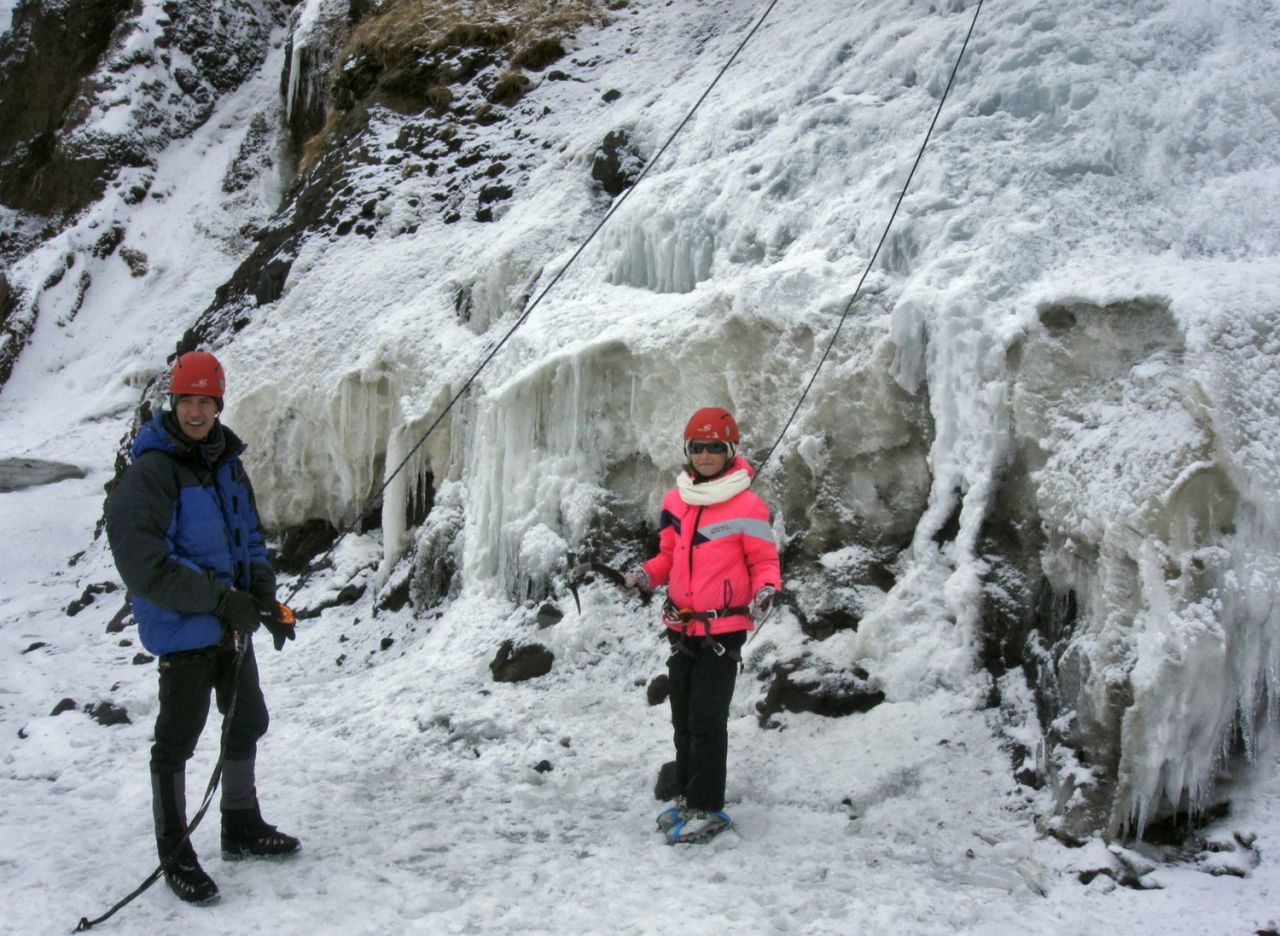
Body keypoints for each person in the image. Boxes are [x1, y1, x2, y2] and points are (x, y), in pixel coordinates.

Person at [106, 350, 299, 905]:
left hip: (230, 625)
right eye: (186, 401)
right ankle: (175, 852)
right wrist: (221, 601)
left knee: (247, 720)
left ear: (218, 404)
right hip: (185, 628)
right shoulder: (152, 471)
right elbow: (144, 564)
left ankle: (240, 824)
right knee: (178, 739)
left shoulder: (226, 464)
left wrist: (264, 600)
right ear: (173, 403)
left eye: (205, 402)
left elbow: (247, 540)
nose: (195, 412)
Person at [625, 406, 781, 844]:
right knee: (684, 721)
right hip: (681, 629)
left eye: (716, 446)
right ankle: (688, 802)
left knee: (708, 721)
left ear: (730, 450)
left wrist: (767, 591)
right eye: (699, 446)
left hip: (722, 632)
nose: (707, 454)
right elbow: (668, 557)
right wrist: (645, 575)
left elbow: (764, 562)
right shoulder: (677, 501)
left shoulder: (748, 505)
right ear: (688, 451)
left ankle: (709, 807)